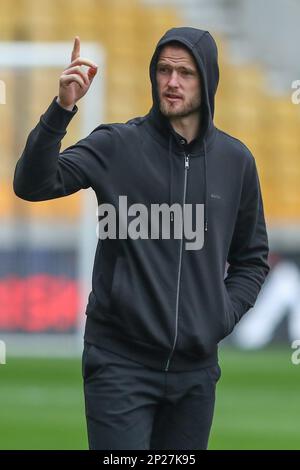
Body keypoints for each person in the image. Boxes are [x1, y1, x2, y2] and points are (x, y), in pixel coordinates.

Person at [13, 27, 270, 450]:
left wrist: (219, 315)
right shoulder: (117, 145)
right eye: (164, 70)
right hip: (119, 365)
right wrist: (61, 110)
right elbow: (33, 183)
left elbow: (252, 258)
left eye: (185, 72)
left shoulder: (235, 160)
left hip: (195, 375)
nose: (172, 82)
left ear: (208, 81)